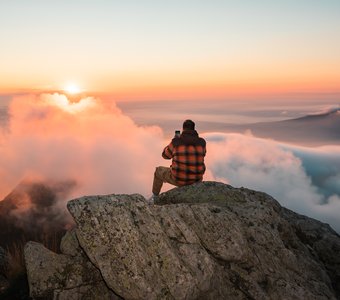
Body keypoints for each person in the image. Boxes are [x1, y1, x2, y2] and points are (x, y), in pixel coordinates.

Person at [151, 119, 206, 201]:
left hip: (179, 178)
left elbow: (165, 155)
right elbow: (203, 154)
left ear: (183, 129)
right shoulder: (202, 142)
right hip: (196, 179)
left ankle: (154, 198)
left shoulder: (176, 142)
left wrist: (174, 141)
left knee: (158, 171)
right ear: (194, 129)